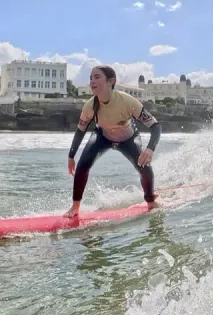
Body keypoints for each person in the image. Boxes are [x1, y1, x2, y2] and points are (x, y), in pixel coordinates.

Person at [63, 65, 162, 218]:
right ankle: (75, 207)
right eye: (91, 78)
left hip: (128, 138)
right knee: (83, 165)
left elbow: (155, 126)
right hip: (102, 137)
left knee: (144, 166)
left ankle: (150, 201)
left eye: (97, 77)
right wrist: (71, 156)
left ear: (111, 81)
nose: (92, 81)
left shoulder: (127, 101)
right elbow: (80, 131)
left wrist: (150, 149)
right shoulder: (90, 106)